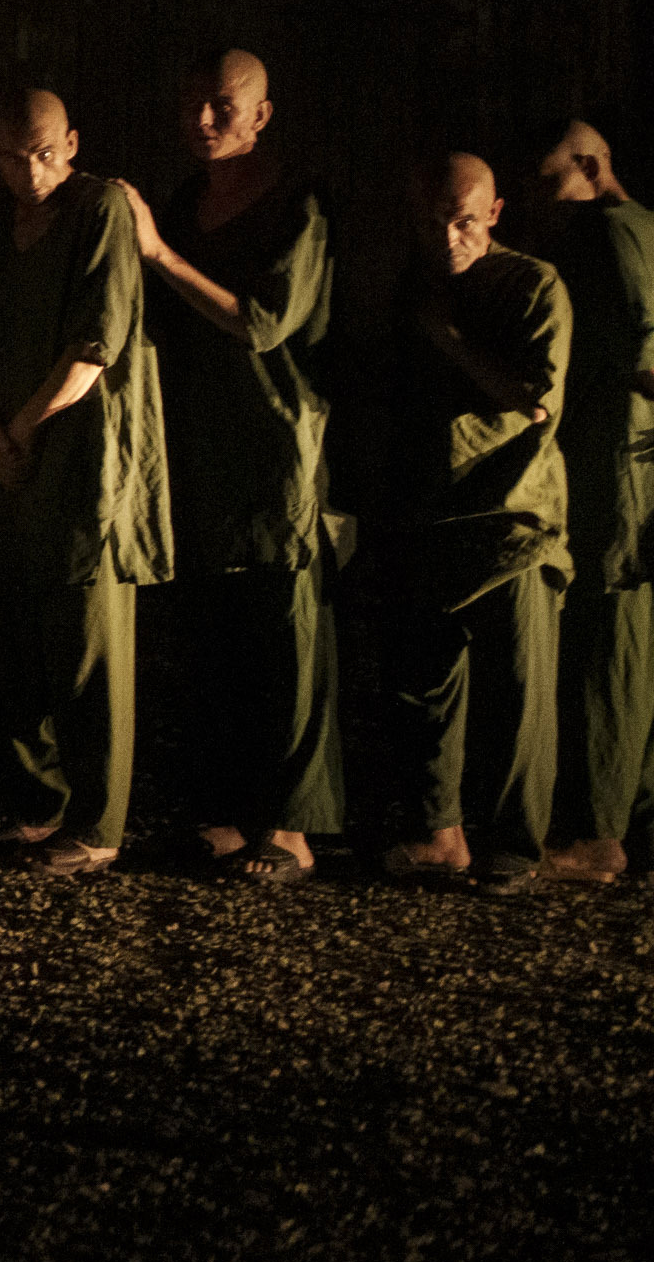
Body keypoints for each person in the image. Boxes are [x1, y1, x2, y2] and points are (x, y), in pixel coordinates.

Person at [127, 50, 341, 879]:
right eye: (191, 106)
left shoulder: (297, 206)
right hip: (198, 444)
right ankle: (221, 811)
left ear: (262, 114)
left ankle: (291, 825)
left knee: (284, 634)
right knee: (211, 633)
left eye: (222, 106)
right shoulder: (186, 202)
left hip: (276, 444)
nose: (203, 122)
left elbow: (262, 322)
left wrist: (160, 255)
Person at [0, 90, 173, 875]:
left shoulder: (100, 210)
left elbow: (98, 342)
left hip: (82, 446)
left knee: (88, 641)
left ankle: (97, 821)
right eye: (14, 155)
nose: (31, 169)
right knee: (20, 634)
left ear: (73, 141)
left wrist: (20, 426)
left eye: (46, 151)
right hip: (14, 446)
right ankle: (35, 808)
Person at [355, 153, 571, 884]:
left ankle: (515, 842)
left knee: (516, 691)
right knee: (425, 684)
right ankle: (438, 832)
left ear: (496, 213)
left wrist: (448, 338)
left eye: (465, 222)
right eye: (433, 221)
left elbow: (534, 398)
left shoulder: (531, 284)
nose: (449, 237)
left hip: (512, 515)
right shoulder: (411, 284)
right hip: (426, 514)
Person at [503, 122, 654, 892]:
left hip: (613, 459)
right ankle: (629, 815)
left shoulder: (605, 235)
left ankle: (599, 831)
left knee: (606, 630)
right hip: (632, 455)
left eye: (549, 176)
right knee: (631, 629)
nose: (538, 195)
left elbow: (638, 347)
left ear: (592, 165)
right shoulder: (644, 228)